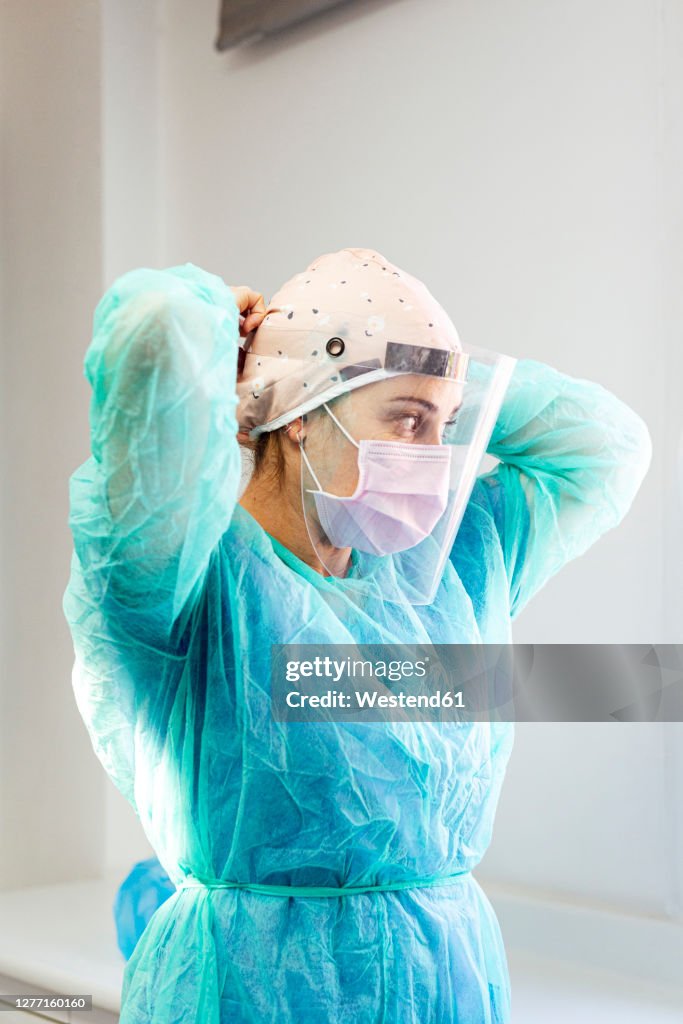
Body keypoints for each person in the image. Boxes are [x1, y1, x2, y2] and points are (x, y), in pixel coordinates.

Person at [62, 247, 652, 1024]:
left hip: (447, 978)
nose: (435, 463)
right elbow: (151, 333)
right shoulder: (186, 577)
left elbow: (606, 450)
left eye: (448, 427)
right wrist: (213, 326)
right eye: (407, 421)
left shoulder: (445, 568)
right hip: (245, 990)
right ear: (303, 410)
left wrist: (433, 373)